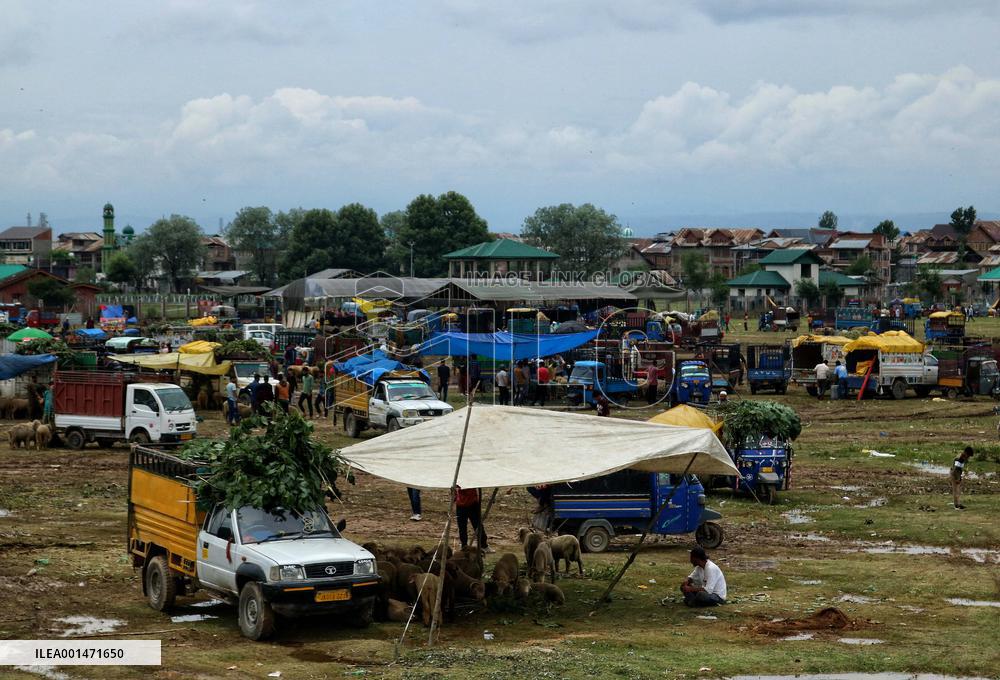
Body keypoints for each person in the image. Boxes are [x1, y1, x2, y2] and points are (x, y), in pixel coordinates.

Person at [454, 486, 491, 552]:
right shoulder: (459, 479)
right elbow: (454, 486)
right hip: (461, 505)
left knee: (478, 525)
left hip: (472, 504)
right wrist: (455, 495)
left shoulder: (472, 478)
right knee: (462, 527)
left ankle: (484, 545)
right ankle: (464, 546)